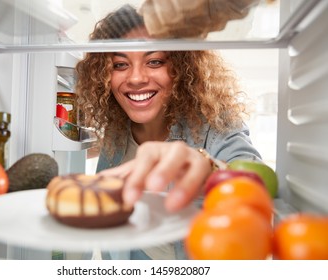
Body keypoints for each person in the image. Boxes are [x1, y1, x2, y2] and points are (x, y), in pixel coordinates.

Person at [75, 4, 261, 259]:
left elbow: (257, 184)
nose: (136, 78)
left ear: (182, 68)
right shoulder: (116, 133)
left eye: (154, 61)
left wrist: (210, 168)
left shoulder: (216, 123)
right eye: (120, 64)